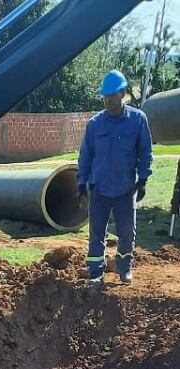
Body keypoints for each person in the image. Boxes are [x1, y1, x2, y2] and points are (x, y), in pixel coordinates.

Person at [77, 69, 153, 285]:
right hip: (99, 188)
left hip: (125, 188)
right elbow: (85, 156)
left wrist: (144, 179)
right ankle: (95, 272)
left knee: (127, 231)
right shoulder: (94, 124)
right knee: (96, 233)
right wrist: (81, 183)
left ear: (122, 94)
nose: (107, 100)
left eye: (112, 95)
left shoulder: (137, 120)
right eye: (105, 96)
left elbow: (145, 151)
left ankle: (124, 268)